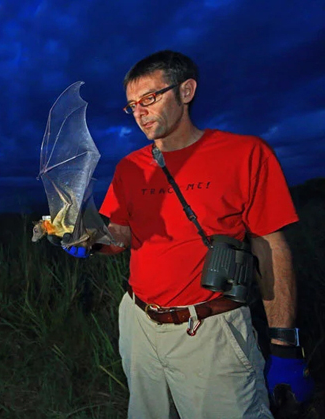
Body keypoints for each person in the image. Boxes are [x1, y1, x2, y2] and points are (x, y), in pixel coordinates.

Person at [63, 50, 314, 418]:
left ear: (186, 91)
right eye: (131, 105)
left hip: (212, 329)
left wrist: (284, 345)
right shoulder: (130, 168)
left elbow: (271, 245)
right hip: (138, 323)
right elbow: (120, 236)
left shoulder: (245, 154)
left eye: (149, 98)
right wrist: (87, 239)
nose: (139, 112)